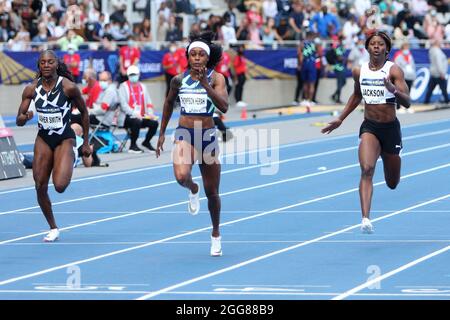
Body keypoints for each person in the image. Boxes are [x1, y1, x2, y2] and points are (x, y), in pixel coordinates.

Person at [321, 31, 411, 234]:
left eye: (380, 44)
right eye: (373, 44)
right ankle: (365, 219)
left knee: (392, 183)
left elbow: (407, 102)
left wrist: (392, 89)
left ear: (386, 49)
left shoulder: (394, 70)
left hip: (390, 129)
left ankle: (394, 158)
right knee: (367, 169)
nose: (376, 46)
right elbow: (356, 96)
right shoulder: (358, 71)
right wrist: (340, 119)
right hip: (370, 126)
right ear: (367, 48)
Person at [156, 31, 228, 256]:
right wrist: (160, 133)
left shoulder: (216, 78)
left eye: (201, 55)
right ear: (188, 57)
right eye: (193, 54)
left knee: (213, 192)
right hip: (185, 132)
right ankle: (192, 188)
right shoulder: (178, 79)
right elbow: (168, 104)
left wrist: (206, 84)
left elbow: (224, 106)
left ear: (207, 58)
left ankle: (215, 233)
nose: (196, 58)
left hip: (206, 135)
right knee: (180, 177)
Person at [16, 50, 91, 242]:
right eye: (43, 63)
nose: (47, 65)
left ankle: (72, 153)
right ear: (39, 66)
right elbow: (19, 120)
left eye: (50, 62)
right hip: (43, 138)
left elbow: (84, 113)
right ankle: (53, 227)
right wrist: (25, 117)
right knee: (40, 185)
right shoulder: (31, 89)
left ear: (57, 64)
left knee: (59, 186)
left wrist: (86, 143)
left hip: (65, 137)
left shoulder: (68, 87)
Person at [118, 65, 159, 153]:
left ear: (139, 74)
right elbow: (123, 105)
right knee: (136, 121)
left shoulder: (143, 87)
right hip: (127, 117)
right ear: (128, 76)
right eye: (131, 75)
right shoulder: (123, 87)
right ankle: (133, 145)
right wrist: (134, 113)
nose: (133, 77)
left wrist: (150, 114)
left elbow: (148, 102)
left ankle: (146, 142)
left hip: (142, 116)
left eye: (135, 74)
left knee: (154, 123)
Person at [424, 39, 449, 105]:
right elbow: (439, 63)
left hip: (434, 72)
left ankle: (426, 101)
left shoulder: (432, 51)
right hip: (438, 73)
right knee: (443, 88)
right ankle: (447, 101)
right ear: (436, 43)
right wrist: (442, 72)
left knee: (430, 88)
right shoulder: (437, 52)